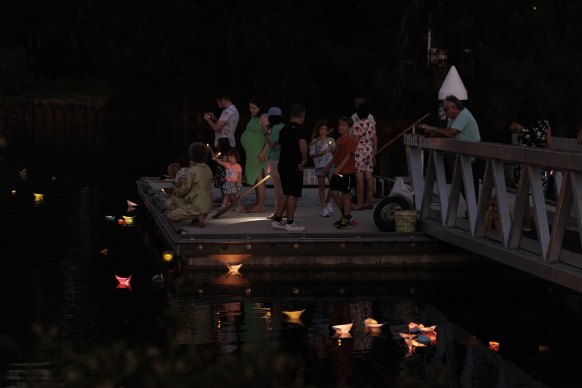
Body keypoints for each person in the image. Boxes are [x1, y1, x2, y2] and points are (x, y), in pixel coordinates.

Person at [419, 95, 482, 197]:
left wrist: (433, 129)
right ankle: (472, 211)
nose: (445, 113)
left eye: (446, 110)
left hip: (470, 157)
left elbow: (450, 133)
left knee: (469, 188)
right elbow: (447, 133)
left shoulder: (463, 115)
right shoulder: (454, 118)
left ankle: (474, 210)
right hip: (463, 155)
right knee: (462, 185)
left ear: (453, 106)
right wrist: (432, 132)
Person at [510, 98, 553, 230]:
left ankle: (526, 224)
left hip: (523, 163)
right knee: (537, 194)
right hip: (539, 163)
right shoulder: (545, 124)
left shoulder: (520, 125)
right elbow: (550, 145)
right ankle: (540, 224)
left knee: (524, 195)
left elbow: (511, 128)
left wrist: (521, 126)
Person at [271, 104, 309, 232]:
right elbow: (302, 145)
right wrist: (304, 160)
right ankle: (290, 222)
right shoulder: (300, 130)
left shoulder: (284, 129)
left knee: (286, 192)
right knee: (293, 194)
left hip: (283, 163)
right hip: (294, 164)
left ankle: (277, 220)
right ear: (302, 116)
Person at [167, 142, 213, 227]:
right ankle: (200, 215)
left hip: (197, 204)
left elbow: (185, 189)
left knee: (170, 217)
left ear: (192, 156)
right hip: (207, 205)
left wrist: (177, 189)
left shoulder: (192, 170)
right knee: (174, 199)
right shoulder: (208, 169)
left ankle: (197, 215)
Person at [324, 116, 358, 229]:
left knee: (345, 194)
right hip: (337, 170)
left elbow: (349, 155)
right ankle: (346, 214)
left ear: (349, 128)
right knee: (333, 192)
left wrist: (339, 168)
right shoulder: (338, 139)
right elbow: (336, 155)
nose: (340, 127)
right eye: (339, 125)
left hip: (347, 171)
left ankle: (346, 218)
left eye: (343, 125)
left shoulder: (350, 140)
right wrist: (328, 166)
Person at [240, 97, 269, 212]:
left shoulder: (264, 117)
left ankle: (261, 205)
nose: (251, 110)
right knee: (256, 177)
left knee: (259, 177)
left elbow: (269, 136)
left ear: (260, 108)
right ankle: (258, 202)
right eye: (250, 108)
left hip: (259, 152)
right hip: (252, 153)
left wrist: (264, 151)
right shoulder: (255, 117)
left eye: (254, 108)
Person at [351, 104, 377, 210]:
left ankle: (360, 203)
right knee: (369, 176)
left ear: (357, 114)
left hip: (359, 152)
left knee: (359, 177)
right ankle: (369, 202)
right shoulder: (371, 125)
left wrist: (352, 154)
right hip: (369, 151)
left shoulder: (356, 125)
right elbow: (375, 141)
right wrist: (374, 154)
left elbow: (355, 142)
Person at [309, 120, 335, 217]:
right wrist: (319, 153)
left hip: (330, 165)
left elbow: (334, 151)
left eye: (325, 129)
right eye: (321, 129)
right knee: (321, 187)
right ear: (318, 130)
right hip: (320, 166)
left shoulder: (331, 139)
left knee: (334, 185)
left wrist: (330, 146)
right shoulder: (315, 141)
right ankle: (324, 207)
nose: (323, 131)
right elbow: (311, 154)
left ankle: (328, 202)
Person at [265, 107, 285, 219]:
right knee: (283, 186)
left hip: (275, 159)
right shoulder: (283, 126)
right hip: (283, 158)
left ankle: (278, 212)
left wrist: (266, 134)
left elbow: (272, 144)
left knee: (277, 188)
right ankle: (284, 210)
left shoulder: (275, 128)